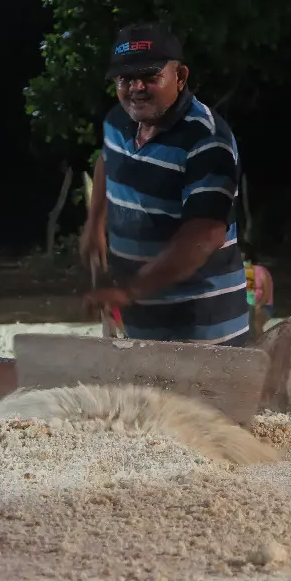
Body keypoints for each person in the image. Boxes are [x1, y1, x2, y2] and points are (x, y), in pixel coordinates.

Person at [80, 23, 250, 346]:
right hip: (142, 325)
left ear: (181, 76)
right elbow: (107, 160)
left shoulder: (207, 139)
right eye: (125, 79)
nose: (136, 88)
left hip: (205, 329)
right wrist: (95, 223)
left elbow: (204, 234)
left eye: (150, 76)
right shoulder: (119, 121)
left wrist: (129, 290)